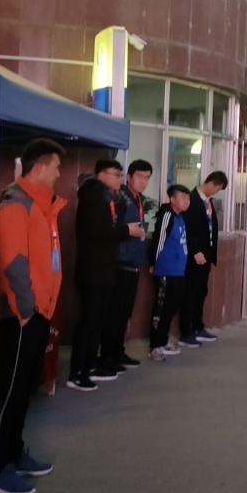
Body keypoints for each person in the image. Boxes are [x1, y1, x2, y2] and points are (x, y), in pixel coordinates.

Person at [0, 138, 67, 493]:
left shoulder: (41, 205)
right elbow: (12, 262)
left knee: (23, 388)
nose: (59, 174)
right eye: (57, 167)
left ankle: (15, 452)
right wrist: (26, 309)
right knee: (9, 390)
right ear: (40, 166)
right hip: (20, 315)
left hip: (37, 312)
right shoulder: (15, 205)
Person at [67, 159, 144, 389]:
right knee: (89, 320)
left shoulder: (109, 197)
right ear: (101, 174)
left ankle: (91, 365)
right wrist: (126, 229)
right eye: (116, 175)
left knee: (98, 320)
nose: (119, 180)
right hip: (93, 269)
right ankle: (77, 372)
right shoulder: (93, 197)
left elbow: (110, 226)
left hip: (105, 268)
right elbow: (99, 231)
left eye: (120, 175)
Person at [99, 159, 153, 373]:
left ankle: (118, 352)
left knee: (124, 313)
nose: (144, 181)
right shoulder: (120, 197)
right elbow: (112, 228)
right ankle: (107, 356)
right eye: (139, 176)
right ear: (129, 177)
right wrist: (128, 231)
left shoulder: (138, 198)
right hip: (120, 263)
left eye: (147, 178)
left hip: (134, 263)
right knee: (115, 313)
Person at [181, 171, 228, 347]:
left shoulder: (208, 202)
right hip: (194, 257)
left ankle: (198, 326)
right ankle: (186, 331)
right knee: (190, 293)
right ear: (211, 183)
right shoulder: (191, 199)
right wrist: (195, 251)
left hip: (206, 256)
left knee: (201, 292)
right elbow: (187, 228)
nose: (217, 192)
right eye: (217, 189)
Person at [149, 184, 192, 360]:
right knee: (162, 309)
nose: (186, 201)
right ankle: (155, 346)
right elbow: (158, 240)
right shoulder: (167, 215)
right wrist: (153, 262)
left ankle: (163, 340)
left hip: (178, 271)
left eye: (188, 198)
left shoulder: (180, 217)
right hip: (166, 270)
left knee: (171, 308)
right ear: (172, 199)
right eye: (182, 197)